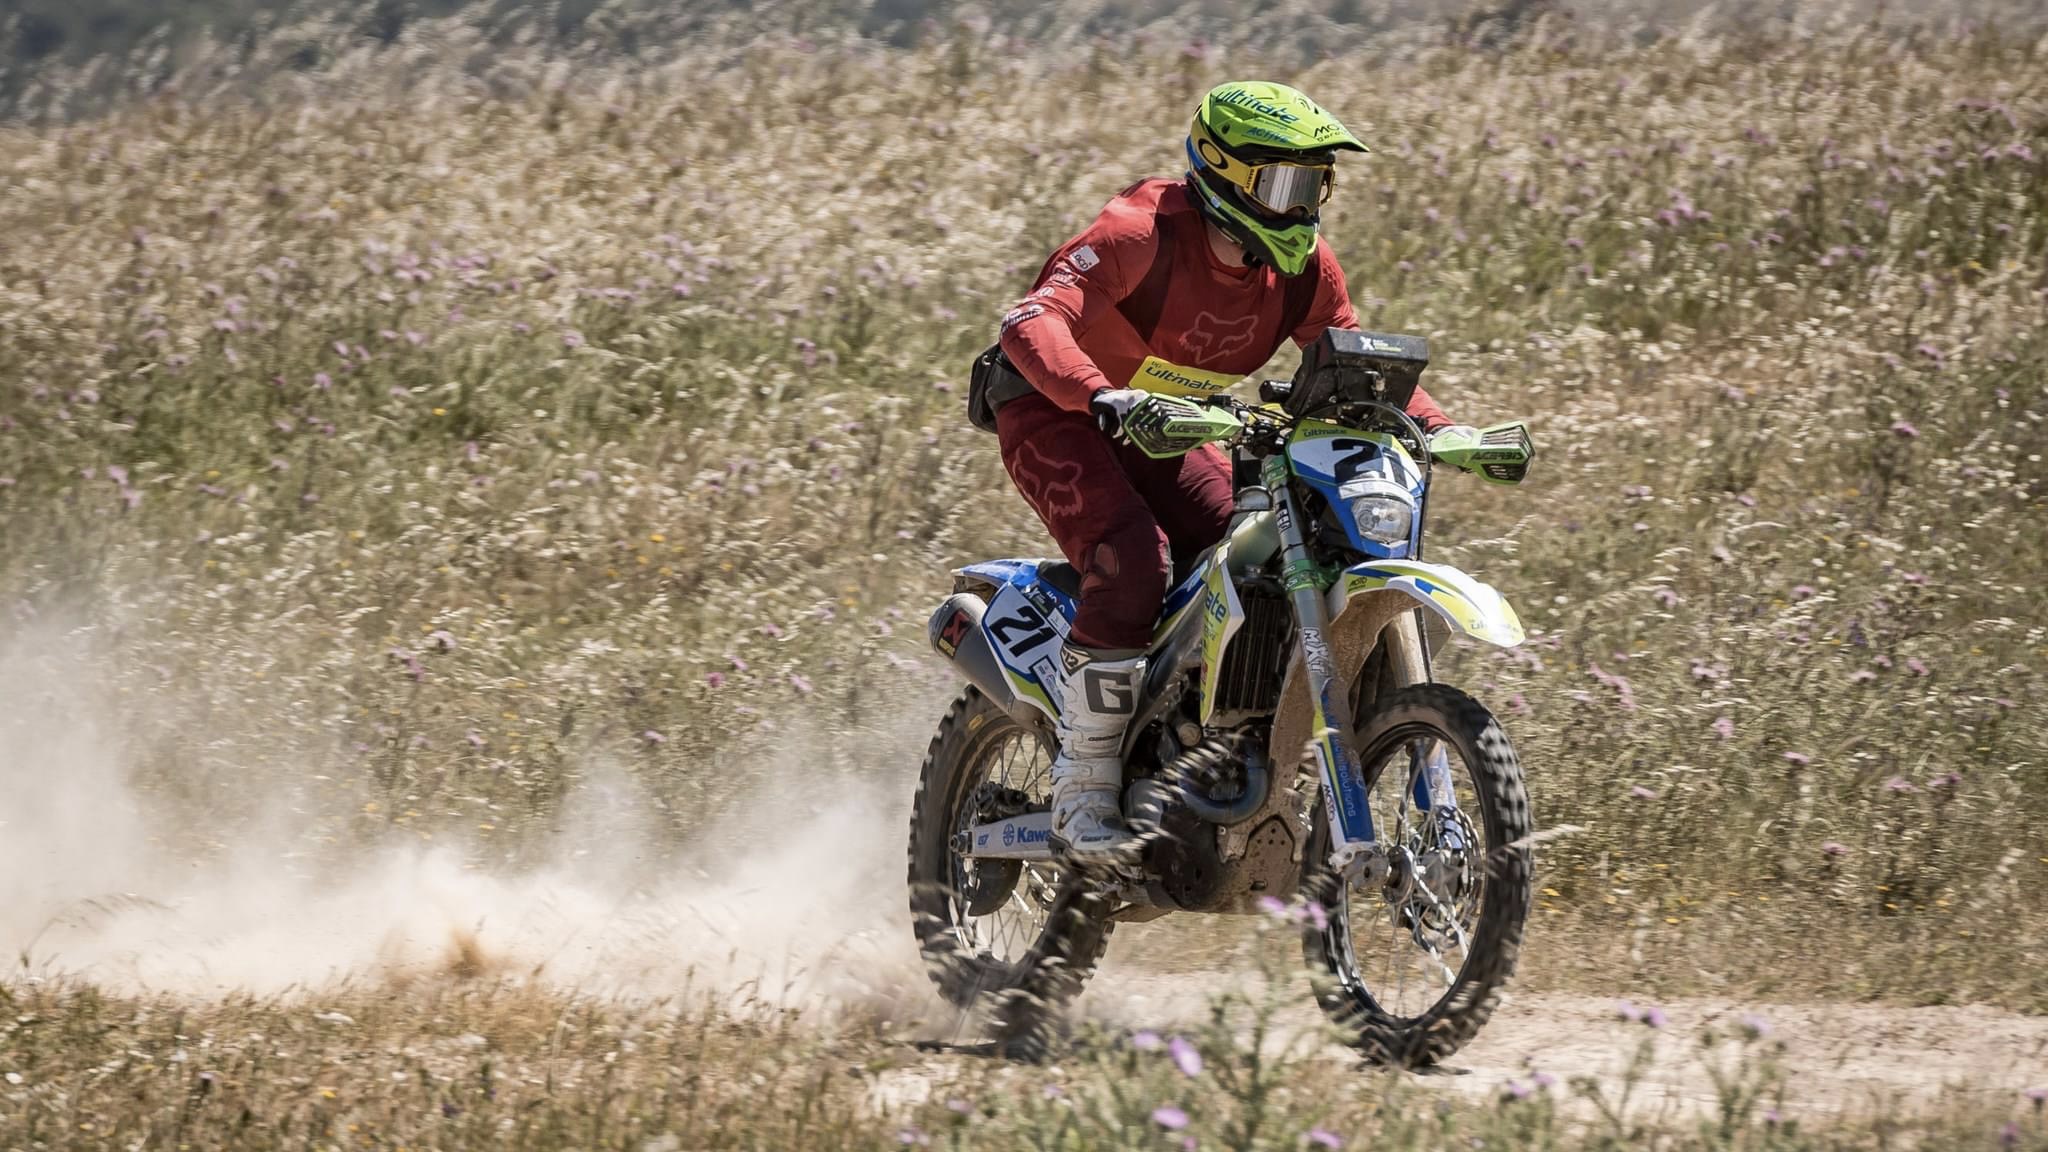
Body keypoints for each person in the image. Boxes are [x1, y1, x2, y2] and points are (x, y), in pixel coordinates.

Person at [984, 80, 1467, 858]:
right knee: (1131, 555)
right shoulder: (1138, 233)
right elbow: (1030, 318)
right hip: (1061, 413)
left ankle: (1200, 737)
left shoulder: (1306, 271)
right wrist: (1100, 394)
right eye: (1282, 183)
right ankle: (1084, 780)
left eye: (1315, 184)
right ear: (1219, 169)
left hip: (1170, 427)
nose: (1302, 205)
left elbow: (1349, 363)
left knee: (1255, 550)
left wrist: (1442, 429)